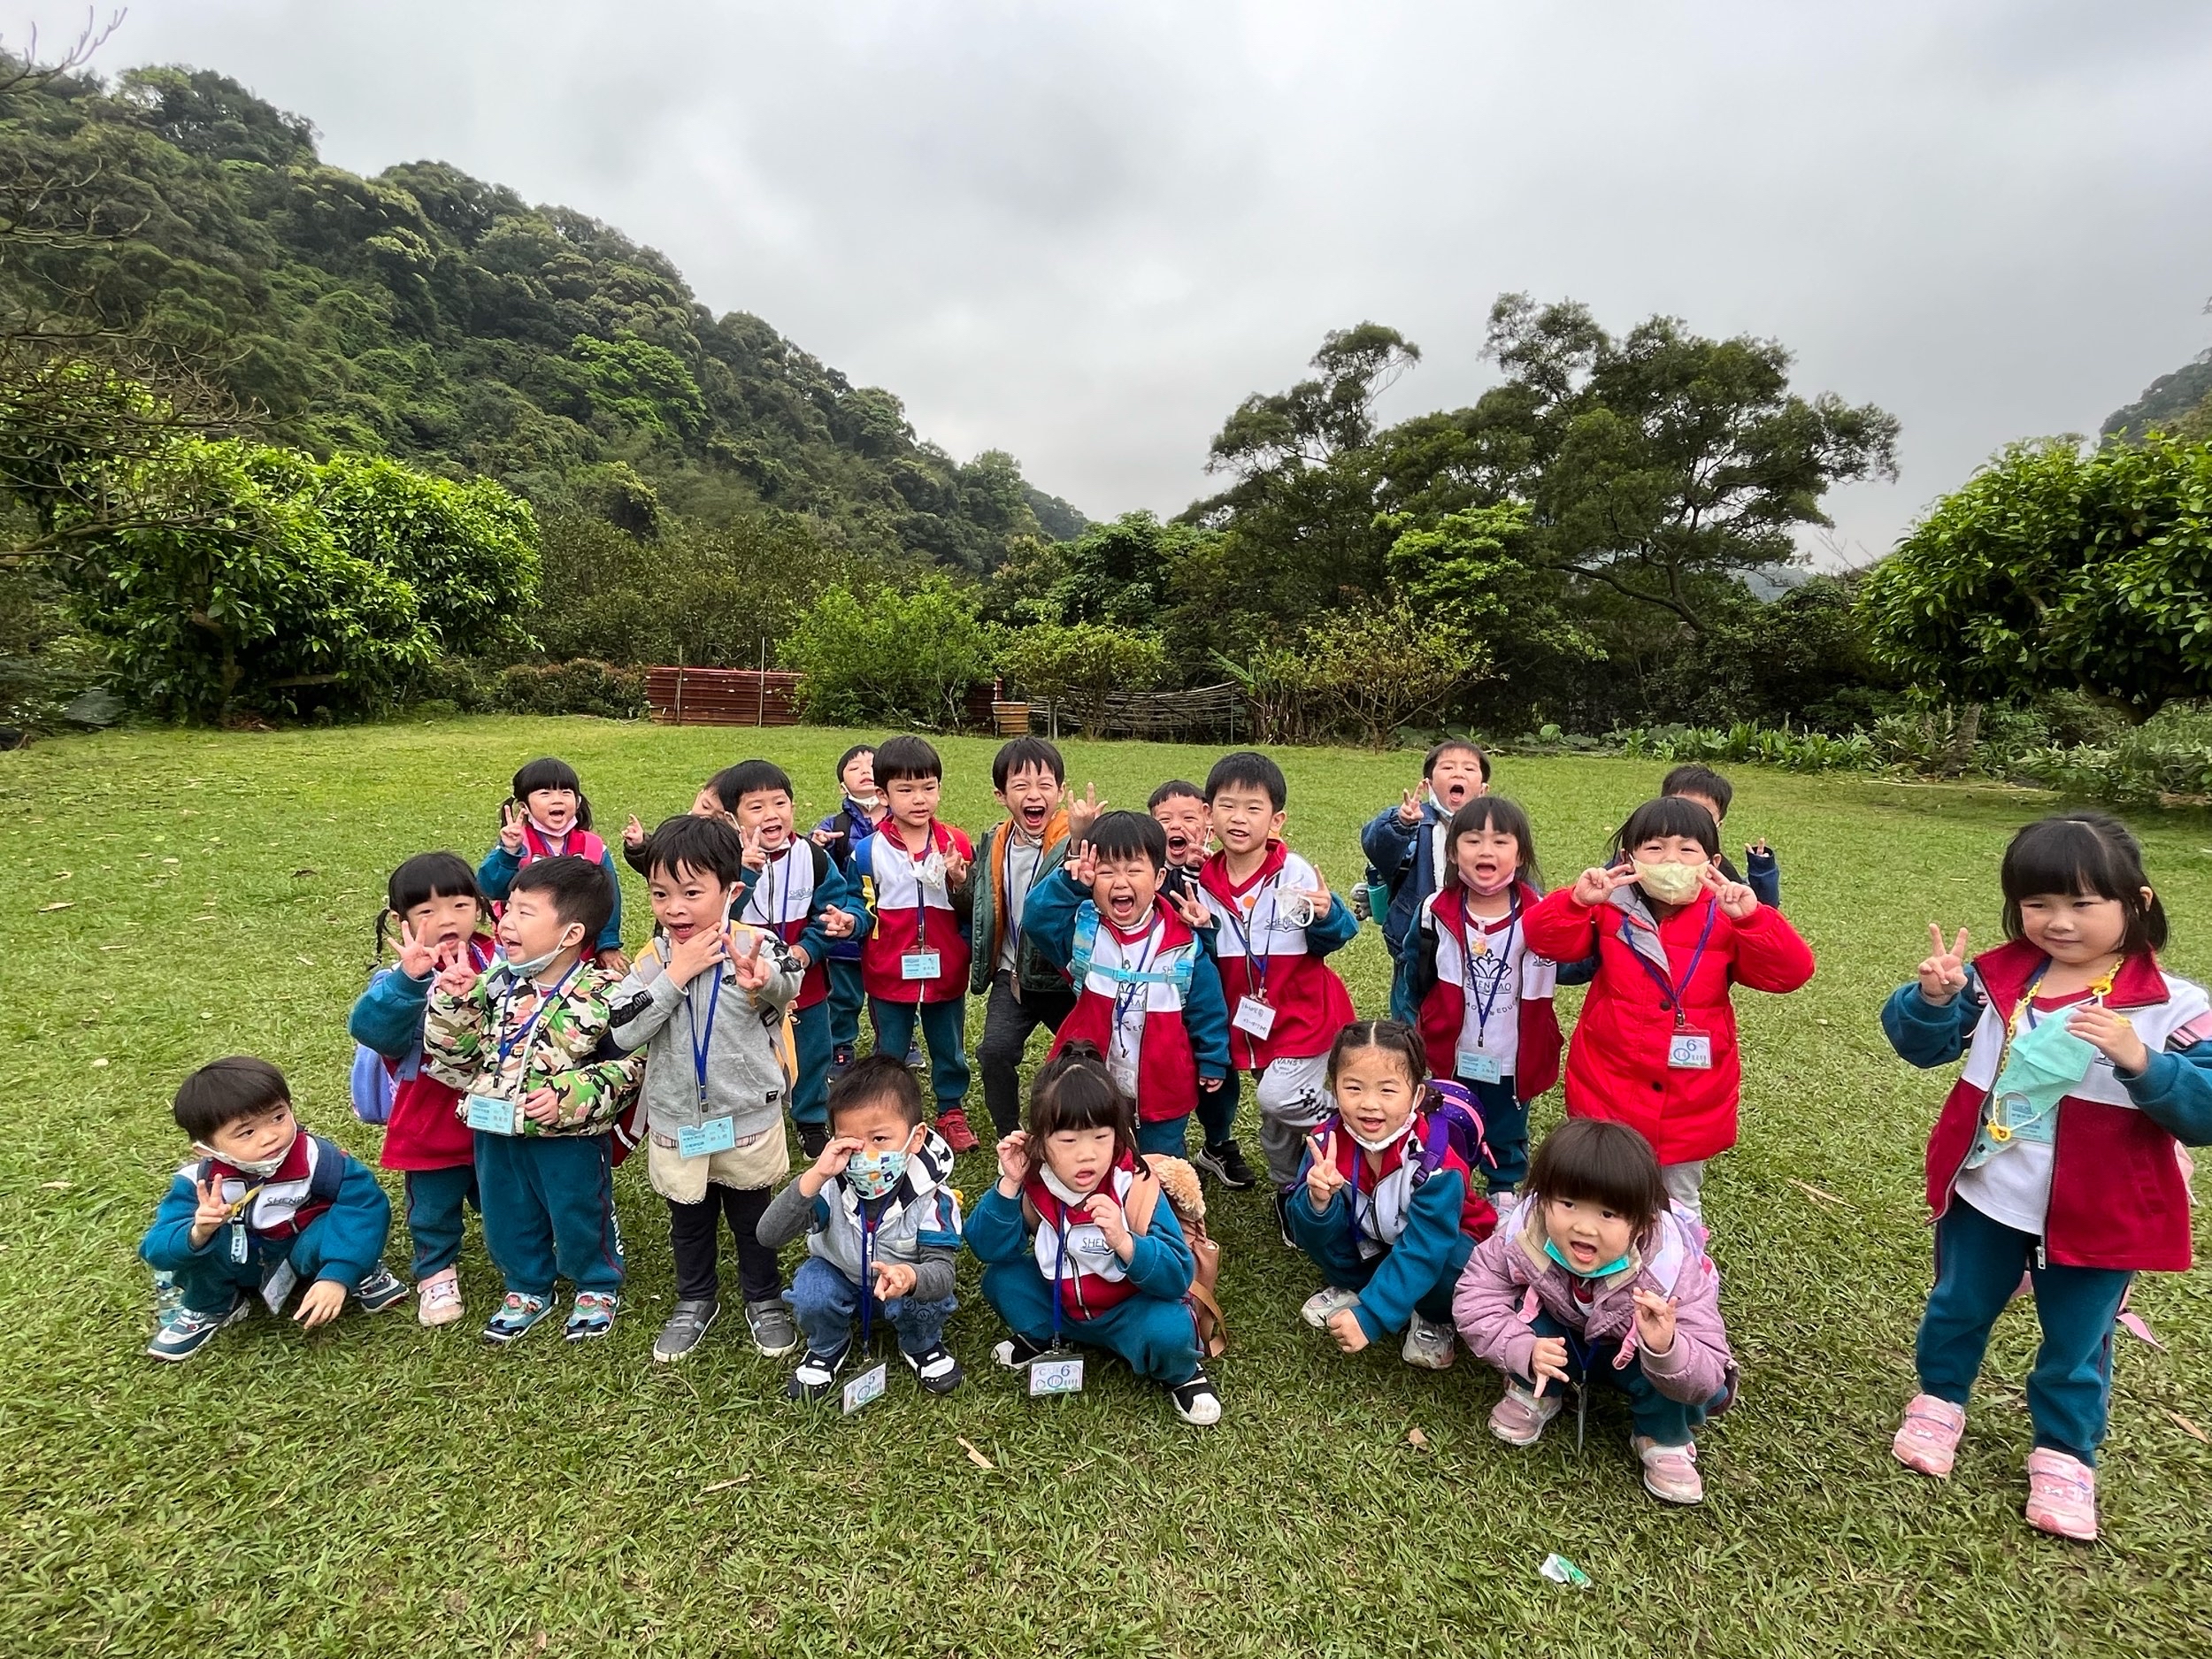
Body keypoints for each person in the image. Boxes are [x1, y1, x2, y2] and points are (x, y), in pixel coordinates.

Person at [1882, 812, 2212, 1542]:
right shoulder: (1997, 978)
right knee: (1957, 1305)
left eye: (2082, 903)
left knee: (2077, 1340)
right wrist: (1932, 1000)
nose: (2058, 921)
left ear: (2138, 901)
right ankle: (1939, 1398)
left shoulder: (2175, 1006)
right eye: (2038, 903)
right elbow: (1922, 1047)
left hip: (2102, 1214)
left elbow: (2205, 1108)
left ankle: (2064, 1452)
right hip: (1986, 1194)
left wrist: (2144, 1060)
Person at [1523, 795, 1815, 1225]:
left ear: (1712, 862)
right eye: (1655, 848)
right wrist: (1575, 902)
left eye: (1687, 849)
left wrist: (1753, 919)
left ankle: (1681, 1262)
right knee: (1600, 1191)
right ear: (1630, 858)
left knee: (1678, 1199)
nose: (1671, 860)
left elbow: (1789, 974)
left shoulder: (1726, 916)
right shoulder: (1609, 907)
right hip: (1609, 1080)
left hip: (1691, 1093)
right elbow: (1544, 940)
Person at [608, 816, 807, 1364]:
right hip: (679, 1121)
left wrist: (763, 980)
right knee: (688, 1219)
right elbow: (622, 1030)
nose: (675, 908)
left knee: (752, 1216)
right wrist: (675, 977)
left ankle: (764, 1298)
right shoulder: (651, 961)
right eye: (661, 894)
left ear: (731, 891)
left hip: (747, 1116)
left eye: (692, 893)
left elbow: (790, 980)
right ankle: (695, 1299)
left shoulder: (756, 945)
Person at [1454, 1118, 1736, 1506]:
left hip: (1634, 1355)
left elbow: (1710, 1372)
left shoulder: (1671, 1268)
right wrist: (1522, 1350)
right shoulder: (1524, 1235)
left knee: (1676, 1362)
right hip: (1559, 1340)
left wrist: (1666, 1347)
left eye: (1608, 1214)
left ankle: (1663, 1437)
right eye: (1568, 1204)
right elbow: (1476, 1295)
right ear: (1541, 1198)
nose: (1585, 1228)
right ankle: (1537, 1391)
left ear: (1643, 1222)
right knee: (1527, 1314)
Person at [425, 854, 644, 1344]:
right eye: (507, 908)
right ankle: (525, 1285)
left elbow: (632, 1065)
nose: (505, 922)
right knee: (506, 1212)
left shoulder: (607, 992)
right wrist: (454, 1002)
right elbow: (455, 1059)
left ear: (571, 934)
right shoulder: (492, 984)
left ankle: (595, 1282)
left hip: (568, 1137)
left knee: (578, 1210)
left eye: (525, 912)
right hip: (494, 1129)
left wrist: (571, 1096)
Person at [967, 1045, 1221, 1425]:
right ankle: (1045, 1335)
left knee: (1168, 1329)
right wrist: (1009, 1186)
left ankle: (1183, 1373)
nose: (1087, 1154)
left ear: (1118, 1136)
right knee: (1002, 1280)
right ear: (1039, 1141)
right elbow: (987, 1248)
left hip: (1129, 1311)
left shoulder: (1135, 1185)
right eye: (1068, 1141)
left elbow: (1176, 1277)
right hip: (1062, 1304)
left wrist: (1126, 1243)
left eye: (1100, 1137)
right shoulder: (1035, 1181)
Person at [141, 1056, 407, 1361]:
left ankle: (359, 1270)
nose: (270, 1136)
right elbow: (156, 1249)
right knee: (201, 1247)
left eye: (278, 1117)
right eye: (247, 1132)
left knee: (335, 1223)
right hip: (243, 1258)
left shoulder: (317, 1158)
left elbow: (365, 1205)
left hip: (300, 1246)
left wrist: (339, 1273)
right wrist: (197, 1232)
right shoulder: (196, 1183)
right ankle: (212, 1306)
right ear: (206, 1149)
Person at [1195, 750, 1358, 1243]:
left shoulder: (1295, 872)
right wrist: (1202, 931)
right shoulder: (1203, 882)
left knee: (1277, 1097)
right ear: (1209, 814)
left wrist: (1328, 915)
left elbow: (1334, 936)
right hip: (1252, 1025)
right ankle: (1290, 1192)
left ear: (1276, 820)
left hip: (1307, 1016)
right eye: (1227, 806)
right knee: (1274, 1122)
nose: (1238, 818)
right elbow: (1205, 958)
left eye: (1253, 808)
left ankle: (1351, 1123)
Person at [1020, 810, 1232, 1157]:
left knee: (1159, 1160)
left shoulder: (1184, 944)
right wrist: (1070, 883)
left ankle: (1159, 1188)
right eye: (1106, 872)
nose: (1120, 882)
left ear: (1159, 877)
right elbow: (1036, 918)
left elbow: (1207, 1007)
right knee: (1094, 1152)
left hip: (1162, 1083)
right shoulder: (1085, 932)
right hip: (1091, 1075)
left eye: (1134, 870)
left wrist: (1212, 1057)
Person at [757, 1055, 965, 1401]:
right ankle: (827, 1345)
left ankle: (921, 1344)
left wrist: (910, 1277)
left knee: (930, 1295)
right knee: (812, 1289)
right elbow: (769, 1235)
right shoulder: (830, 1187)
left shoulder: (932, 1199)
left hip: (902, 1285)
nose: (866, 1155)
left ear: (916, 1137)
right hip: (842, 1274)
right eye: (851, 1142)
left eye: (880, 1138)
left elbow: (943, 1273)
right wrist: (815, 1176)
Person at [1289, 1021, 1496, 1371]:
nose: (1370, 1104)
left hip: (1438, 1244)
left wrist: (1371, 1317)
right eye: (1353, 1087)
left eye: (1387, 1090)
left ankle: (1431, 1316)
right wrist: (1317, 1203)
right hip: (1376, 1235)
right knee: (1324, 1218)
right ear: (1334, 1088)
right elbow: (1305, 1232)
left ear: (1416, 1095)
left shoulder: (1436, 1162)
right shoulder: (1325, 1144)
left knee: (1451, 1264)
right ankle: (1356, 1285)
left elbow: (1424, 1249)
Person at [348, 852, 498, 1326]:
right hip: (430, 1115)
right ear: (403, 920)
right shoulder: (401, 979)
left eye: (459, 905)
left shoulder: (500, 959)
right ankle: (435, 1273)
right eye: (427, 911)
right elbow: (372, 1031)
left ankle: (522, 1257)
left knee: (505, 1194)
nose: (447, 920)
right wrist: (409, 980)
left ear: (479, 907)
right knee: (433, 1206)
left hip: (496, 1110)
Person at [1402, 798, 1565, 1196]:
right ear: (1453, 853)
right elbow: (1415, 971)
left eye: (1500, 841)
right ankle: (1448, 1185)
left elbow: (1575, 965)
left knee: (1507, 1125)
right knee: (1446, 1118)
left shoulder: (1542, 914)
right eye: (1473, 840)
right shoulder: (1434, 911)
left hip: (1513, 1053)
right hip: (1452, 1049)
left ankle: (1503, 1188)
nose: (1485, 851)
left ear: (1520, 855)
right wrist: (1423, 1023)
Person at [719, 759, 867, 1156]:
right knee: (745, 1051)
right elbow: (718, 918)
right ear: (733, 819)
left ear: (793, 807)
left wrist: (810, 947)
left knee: (812, 1050)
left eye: (780, 803)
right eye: (756, 807)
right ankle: (749, 1117)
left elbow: (833, 907)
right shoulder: (723, 863)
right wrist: (745, 876)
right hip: (743, 983)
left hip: (805, 979)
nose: (771, 814)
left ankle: (811, 1117)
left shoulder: (812, 857)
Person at [847, 735, 979, 1151]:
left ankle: (951, 1110)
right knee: (890, 1048)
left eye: (928, 787)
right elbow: (859, 904)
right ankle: (890, 1113)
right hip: (888, 971)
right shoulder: (867, 852)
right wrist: (849, 921)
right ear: (883, 794)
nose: (919, 799)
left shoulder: (957, 843)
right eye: (905, 790)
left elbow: (975, 907)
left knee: (948, 1046)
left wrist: (960, 880)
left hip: (946, 969)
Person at [969, 736, 1097, 1138]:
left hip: (1065, 977)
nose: (1034, 795)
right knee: (995, 1052)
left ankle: (1090, 1127)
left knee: (1089, 1056)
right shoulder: (994, 841)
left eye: (1044, 785)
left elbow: (1085, 882)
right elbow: (982, 901)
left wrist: (1080, 838)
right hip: (1013, 978)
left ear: (1060, 790)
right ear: (1001, 795)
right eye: (1021, 786)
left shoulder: (1075, 838)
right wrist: (958, 883)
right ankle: (1009, 1133)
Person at [1151, 779, 1254, 1188]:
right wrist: (1181, 874)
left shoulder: (1220, 869)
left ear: (1208, 821)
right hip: (1159, 997)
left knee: (1217, 1071)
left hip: (1212, 996)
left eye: (1188, 817)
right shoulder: (1148, 873)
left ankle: (1217, 1142)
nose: (1177, 826)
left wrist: (1199, 872)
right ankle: (1156, 1144)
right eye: (1164, 820)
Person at [1360, 740, 1492, 1023]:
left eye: (1469, 769)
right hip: (1416, 944)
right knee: (1411, 1015)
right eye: (1448, 767)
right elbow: (1375, 845)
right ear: (1429, 784)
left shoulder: (1496, 831)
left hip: (1475, 942)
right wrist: (1401, 823)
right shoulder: (1416, 824)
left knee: (1469, 1012)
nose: (1458, 773)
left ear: (1483, 790)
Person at [477, 757, 628, 973]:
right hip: (524, 950)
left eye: (566, 792)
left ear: (577, 801)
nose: (557, 800)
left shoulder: (593, 847)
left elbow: (609, 897)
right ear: (524, 806)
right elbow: (490, 888)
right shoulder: (517, 845)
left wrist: (607, 944)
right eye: (545, 793)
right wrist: (508, 853)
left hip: (580, 951)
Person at [810, 743, 887, 1075]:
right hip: (846, 928)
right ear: (843, 786)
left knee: (891, 990)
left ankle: (900, 1040)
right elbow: (816, 869)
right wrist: (818, 847)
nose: (865, 770)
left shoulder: (902, 821)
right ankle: (841, 1044)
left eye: (872, 765)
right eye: (855, 768)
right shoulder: (833, 825)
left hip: (890, 925)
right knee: (844, 994)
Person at [1662, 764, 1779, 910]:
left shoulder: (1720, 868)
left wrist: (1763, 872)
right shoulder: (1642, 854)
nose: (1689, 820)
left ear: (1718, 825)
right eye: (1680, 808)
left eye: (1702, 814)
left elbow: (1759, 908)